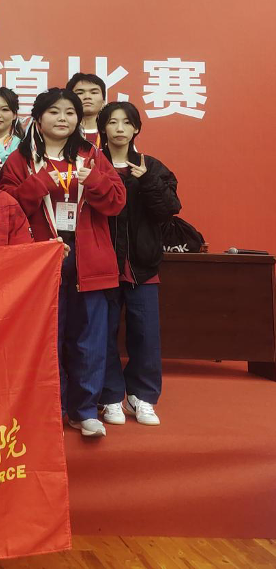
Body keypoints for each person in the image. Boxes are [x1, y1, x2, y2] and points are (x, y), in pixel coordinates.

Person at [0, 88, 125, 438]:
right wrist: (38, 183)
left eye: (70, 113)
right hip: (41, 260)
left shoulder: (91, 155)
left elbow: (116, 202)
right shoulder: (21, 159)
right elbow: (6, 209)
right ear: (38, 118)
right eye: (54, 112)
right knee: (46, 338)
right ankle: (52, 408)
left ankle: (85, 411)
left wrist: (94, 179)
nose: (62, 119)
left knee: (90, 339)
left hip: (88, 259)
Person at [96, 102, 181, 427]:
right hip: (102, 265)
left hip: (142, 266)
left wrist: (147, 182)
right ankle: (110, 397)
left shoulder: (152, 166)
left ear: (136, 129)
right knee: (103, 334)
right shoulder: (93, 164)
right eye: (112, 122)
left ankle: (142, 396)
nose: (119, 128)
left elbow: (169, 209)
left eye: (126, 122)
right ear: (103, 128)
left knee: (145, 335)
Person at [66, 73, 106, 146]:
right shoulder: (63, 132)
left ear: (103, 101)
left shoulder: (111, 132)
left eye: (94, 92)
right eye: (80, 93)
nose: (87, 97)